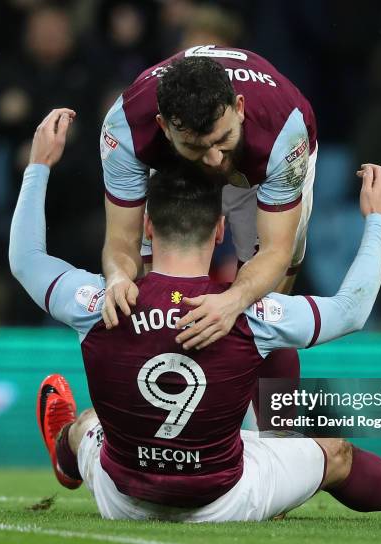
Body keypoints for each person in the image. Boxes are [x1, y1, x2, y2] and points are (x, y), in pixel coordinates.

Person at [10, 109, 381, 522]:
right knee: (335, 454)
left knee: (89, 422)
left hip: (122, 494)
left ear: (148, 226)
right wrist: (378, 219)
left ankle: (66, 458)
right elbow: (352, 310)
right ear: (220, 231)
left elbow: (26, 260)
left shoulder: (98, 300)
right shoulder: (249, 313)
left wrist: (38, 166)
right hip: (221, 499)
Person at [100, 47, 317, 359]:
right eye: (196, 145)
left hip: (260, 164)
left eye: (221, 139)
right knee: (152, 288)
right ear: (163, 126)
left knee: (266, 306)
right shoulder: (126, 129)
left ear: (239, 108)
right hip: (171, 165)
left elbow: (276, 250)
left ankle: (259, 388)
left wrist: (235, 300)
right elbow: (121, 241)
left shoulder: (285, 132)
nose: (215, 160)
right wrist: (118, 276)